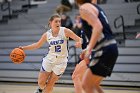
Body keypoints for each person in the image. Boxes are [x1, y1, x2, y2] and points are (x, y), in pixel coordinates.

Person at [19, 14, 82, 93]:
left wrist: (80, 43)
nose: (58, 23)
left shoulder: (65, 31)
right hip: (49, 59)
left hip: (61, 62)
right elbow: (37, 45)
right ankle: (40, 89)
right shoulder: (47, 35)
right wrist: (23, 48)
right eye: (56, 21)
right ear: (50, 22)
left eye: (59, 21)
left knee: (50, 84)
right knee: (41, 83)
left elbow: (79, 39)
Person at [73, 0, 119, 93]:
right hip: (111, 48)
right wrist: (87, 48)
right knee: (93, 85)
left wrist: (89, 49)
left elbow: (98, 27)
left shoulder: (84, 7)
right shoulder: (95, 7)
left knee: (86, 85)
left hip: (104, 49)